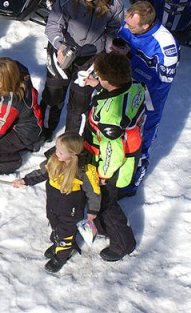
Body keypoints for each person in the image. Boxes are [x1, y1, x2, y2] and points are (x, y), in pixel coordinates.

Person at [39, 0, 124, 142]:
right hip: (63, 49)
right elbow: (53, 24)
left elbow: (113, 32)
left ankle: (71, 142)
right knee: (53, 93)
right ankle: (45, 130)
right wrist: (59, 45)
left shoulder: (115, 4)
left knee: (80, 102)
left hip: (92, 57)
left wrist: (108, 53)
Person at [82, 52, 145, 262]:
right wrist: (99, 87)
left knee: (105, 202)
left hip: (112, 166)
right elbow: (117, 94)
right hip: (130, 152)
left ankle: (123, 243)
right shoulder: (133, 85)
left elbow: (113, 152)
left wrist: (103, 174)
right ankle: (101, 225)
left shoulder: (110, 115)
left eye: (98, 76)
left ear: (107, 80)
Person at [115, 1, 179, 195]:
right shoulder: (127, 27)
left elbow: (161, 81)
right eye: (126, 23)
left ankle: (132, 184)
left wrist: (130, 60)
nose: (125, 28)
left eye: (131, 26)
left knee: (140, 142)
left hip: (148, 100)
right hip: (124, 89)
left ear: (145, 26)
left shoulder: (167, 46)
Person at [12, 132, 101, 273]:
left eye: (60, 151)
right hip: (53, 204)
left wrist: (92, 211)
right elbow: (41, 173)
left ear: (72, 155)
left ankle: (62, 255)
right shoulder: (54, 160)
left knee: (66, 233)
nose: (56, 153)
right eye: (56, 148)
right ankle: (57, 241)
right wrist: (25, 180)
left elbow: (94, 192)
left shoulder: (83, 170)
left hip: (71, 210)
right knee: (54, 222)